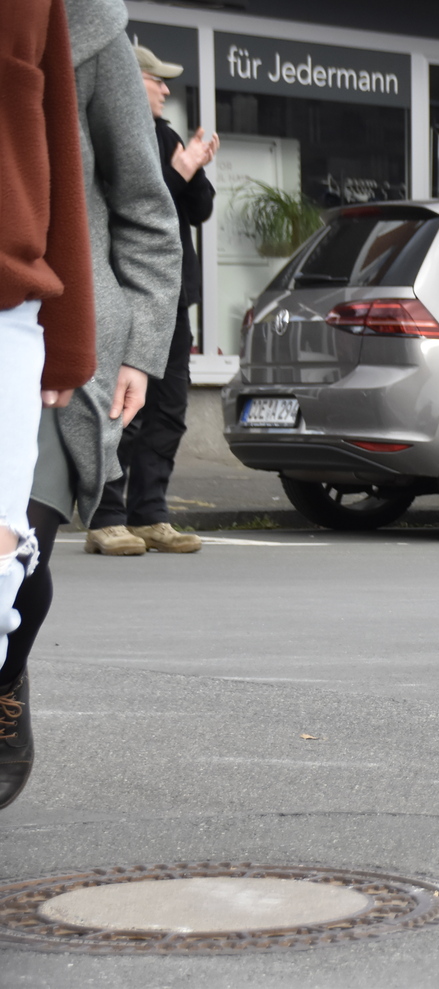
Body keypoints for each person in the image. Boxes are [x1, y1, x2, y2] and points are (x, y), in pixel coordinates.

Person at [2, 0, 179, 810]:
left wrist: (141, 340)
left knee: (20, 551)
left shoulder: (87, 30)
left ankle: (5, 676)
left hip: (48, 343)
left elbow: (144, 201)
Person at [0, 0, 97, 811]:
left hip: (19, 310)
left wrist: (88, 341)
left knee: (16, 555)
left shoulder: (72, 15)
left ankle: (4, 678)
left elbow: (77, 160)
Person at [86, 44, 217, 556]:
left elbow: (200, 207)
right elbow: (128, 206)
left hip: (173, 295)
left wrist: (193, 166)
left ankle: (150, 515)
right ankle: (106, 517)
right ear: (124, 79)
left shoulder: (166, 135)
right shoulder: (111, 137)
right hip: (125, 290)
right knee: (123, 407)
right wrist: (178, 173)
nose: (166, 88)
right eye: (155, 79)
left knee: (169, 409)